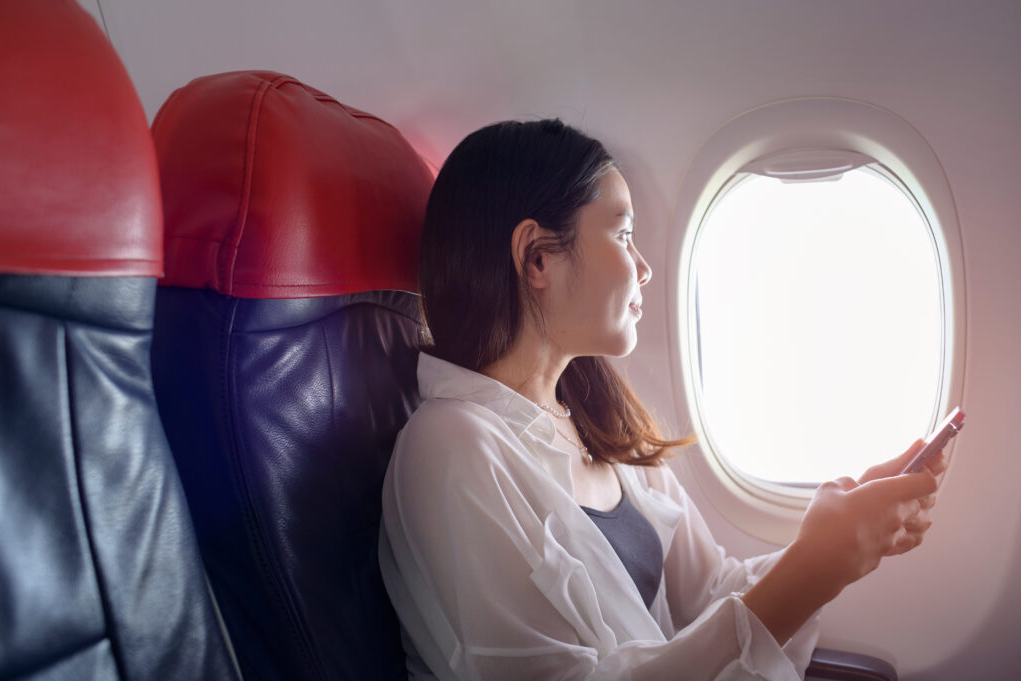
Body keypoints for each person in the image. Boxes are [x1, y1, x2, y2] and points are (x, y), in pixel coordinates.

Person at [378, 119, 943, 680]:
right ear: (537, 258)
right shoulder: (450, 447)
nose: (645, 269)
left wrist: (842, 544)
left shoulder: (595, 420)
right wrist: (815, 567)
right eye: (623, 235)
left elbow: (712, 597)